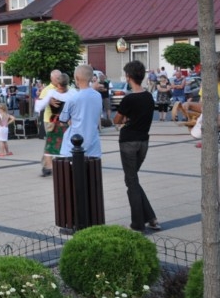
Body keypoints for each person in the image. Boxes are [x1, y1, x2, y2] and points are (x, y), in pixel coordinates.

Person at [114, 60, 161, 232]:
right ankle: (151, 218)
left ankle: (137, 224)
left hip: (128, 141)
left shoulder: (129, 98)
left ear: (128, 77)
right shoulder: (148, 96)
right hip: (143, 142)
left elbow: (116, 119)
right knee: (132, 179)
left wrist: (125, 119)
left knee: (131, 181)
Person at [34, 71, 75, 176]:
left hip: (54, 122)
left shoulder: (52, 93)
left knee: (50, 145)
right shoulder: (72, 93)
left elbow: (38, 106)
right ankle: (66, 167)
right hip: (67, 123)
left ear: (58, 83)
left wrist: (46, 101)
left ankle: (49, 167)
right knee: (67, 144)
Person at [59, 65, 103, 159]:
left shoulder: (73, 99)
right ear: (91, 78)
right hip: (93, 145)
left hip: (73, 145)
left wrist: (69, 121)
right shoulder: (98, 96)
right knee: (92, 168)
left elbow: (62, 120)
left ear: (77, 78)